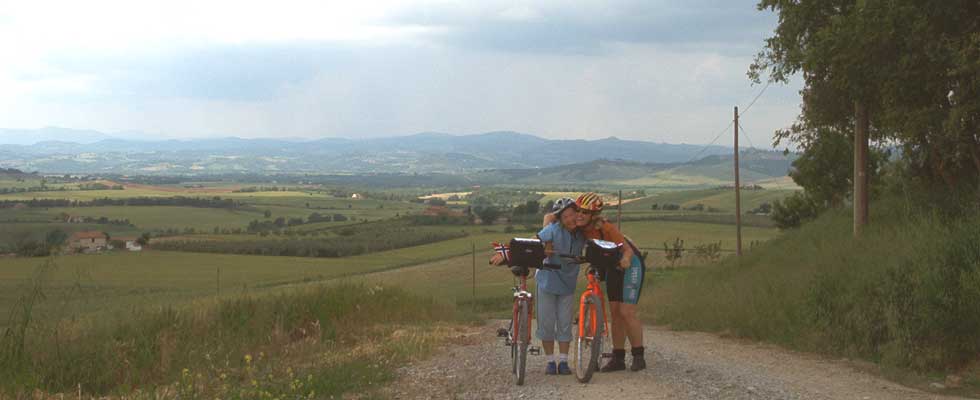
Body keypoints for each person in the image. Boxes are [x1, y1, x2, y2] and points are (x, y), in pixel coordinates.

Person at [543, 192, 647, 372]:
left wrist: (626, 260)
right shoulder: (578, 225)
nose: (580, 215)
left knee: (626, 311)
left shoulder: (604, 227)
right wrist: (548, 242)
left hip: (630, 265)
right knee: (615, 313)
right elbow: (548, 217)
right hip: (611, 266)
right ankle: (618, 358)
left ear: (594, 215)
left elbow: (627, 250)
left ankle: (639, 356)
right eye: (579, 211)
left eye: (586, 212)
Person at [492, 197, 584, 376]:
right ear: (560, 220)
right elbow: (531, 243)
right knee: (547, 323)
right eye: (565, 217)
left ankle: (563, 361)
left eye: (572, 215)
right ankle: (550, 361)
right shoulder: (553, 229)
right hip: (547, 281)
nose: (570, 219)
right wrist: (508, 254)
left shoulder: (582, 233)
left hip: (568, 284)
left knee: (565, 323)